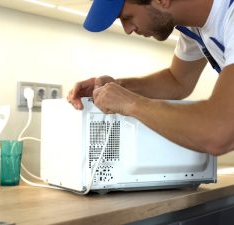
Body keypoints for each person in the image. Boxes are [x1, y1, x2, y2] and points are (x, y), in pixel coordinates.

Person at [67, 0, 234, 156]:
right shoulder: (192, 29)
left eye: (127, 17)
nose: (127, 30)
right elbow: (176, 80)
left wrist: (131, 103)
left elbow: (218, 131)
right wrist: (114, 88)